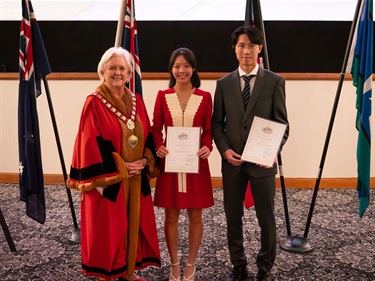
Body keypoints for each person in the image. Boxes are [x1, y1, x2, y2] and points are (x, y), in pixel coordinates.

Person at [66, 47, 161, 281]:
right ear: (102, 72)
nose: (117, 73)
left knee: (133, 223)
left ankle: (128, 271)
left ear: (129, 74)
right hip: (110, 180)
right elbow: (90, 142)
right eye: (112, 68)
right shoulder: (94, 102)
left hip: (136, 176)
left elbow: (146, 134)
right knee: (110, 227)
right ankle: (107, 272)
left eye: (122, 68)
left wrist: (145, 159)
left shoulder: (137, 100)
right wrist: (120, 166)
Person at [212, 26, 289, 281]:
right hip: (232, 163)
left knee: (266, 217)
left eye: (251, 46)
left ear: (259, 48)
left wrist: (273, 151)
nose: (246, 50)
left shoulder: (275, 81)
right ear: (235, 50)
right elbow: (217, 124)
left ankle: (265, 266)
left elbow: (282, 124)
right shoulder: (223, 84)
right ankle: (239, 264)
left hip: (262, 164)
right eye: (241, 45)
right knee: (232, 216)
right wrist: (225, 150)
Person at [152, 47, 214, 281]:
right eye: (177, 66)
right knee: (171, 215)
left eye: (186, 65)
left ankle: (191, 263)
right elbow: (156, 128)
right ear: (171, 69)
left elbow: (208, 131)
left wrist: (208, 146)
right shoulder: (162, 95)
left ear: (193, 68)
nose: (182, 70)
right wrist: (158, 145)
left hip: (196, 164)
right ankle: (175, 264)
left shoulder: (205, 97)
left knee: (196, 215)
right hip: (170, 163)